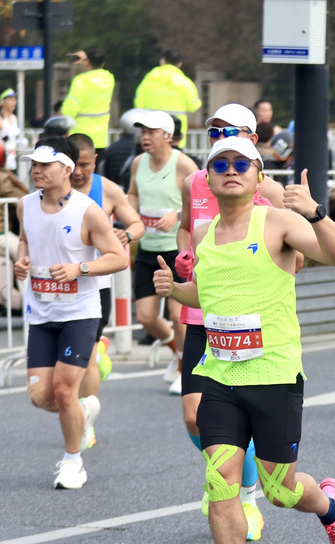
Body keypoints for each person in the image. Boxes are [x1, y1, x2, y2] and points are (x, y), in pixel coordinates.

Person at [153, 137, 335, 544]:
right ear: (207, 178)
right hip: (219, 373)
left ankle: (331, 507)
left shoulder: (278, 222)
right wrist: (174, 289)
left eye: (241, 163)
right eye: (220, 164)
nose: (230, 170)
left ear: (258, 175)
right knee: (219, 479)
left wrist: (315, 212)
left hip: (273, 375)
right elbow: (206, 293)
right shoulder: (204, 231)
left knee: (280, 491)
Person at [177, 103, 286, 541]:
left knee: (243, 416)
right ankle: (224, 474)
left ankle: (243, 494)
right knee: (193, 416)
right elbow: (187, 227)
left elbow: (295, 257)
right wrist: (185, 254)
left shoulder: (269, 190)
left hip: (250, 319)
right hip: (201, 310)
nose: (220, 138)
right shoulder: (195, 180)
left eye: (231, 131)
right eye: (214, 132)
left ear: (253, 139)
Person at [14, 139, 129, 488]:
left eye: (44, 165)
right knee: (41, 397)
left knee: (65, 392)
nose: (36, 170)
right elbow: (26, 239)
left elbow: (118, 257)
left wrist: (80, 268)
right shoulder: (24, 205)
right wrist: (23, 261)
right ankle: (85, 408)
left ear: (66, 169)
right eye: (34, 164)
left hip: (79, 313)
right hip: (41, 313)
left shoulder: (87, 210)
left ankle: (72, 462)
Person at [67, 133, 144, 450]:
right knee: (66, 362)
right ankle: (100, 353)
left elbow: (136, 224)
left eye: (84, 165)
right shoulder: (52, 189)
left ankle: (85, 422)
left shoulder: (107, 189)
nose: (77, 172)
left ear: (95, 160)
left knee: (84, 359)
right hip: (60, 286)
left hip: (95, 284)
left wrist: (126, 235)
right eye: (72, 164)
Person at [127, 110, 199, 395]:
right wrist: (132, 214)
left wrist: (177, 214)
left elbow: (202, 199)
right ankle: (176, 353)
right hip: (148, 249)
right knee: (145, 317)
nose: (144, 137)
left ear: (168, 135)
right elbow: (133, 193)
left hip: (176, 250)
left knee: (178, 316)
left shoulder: (183, 164)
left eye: (151, 132)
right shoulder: (138, 163)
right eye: (142, 132)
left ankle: (183, 369)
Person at [133, 48, 202, 137]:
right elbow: (194, 106)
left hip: (152, 130)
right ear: (179, 64)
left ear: (162, 61)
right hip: (175, 132)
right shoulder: (185, 83)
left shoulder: (149, 80)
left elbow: (138, 103)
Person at [61, 49, 115, 150]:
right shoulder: (109, 78)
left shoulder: (80, 81)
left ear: (88, 62)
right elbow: (98, 69)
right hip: (101, 139)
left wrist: (82, 62)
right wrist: (86, 60)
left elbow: (69, 111)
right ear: (103, 63)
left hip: (80, 138)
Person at [1, 87, 23, 169]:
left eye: (14, 99)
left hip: (12, 161)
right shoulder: (1, 120)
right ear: (2, 102)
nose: (13, 102)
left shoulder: (15, 118)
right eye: (10, 99)